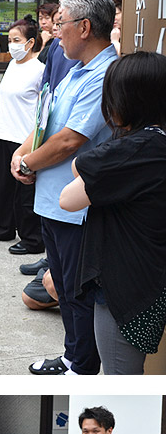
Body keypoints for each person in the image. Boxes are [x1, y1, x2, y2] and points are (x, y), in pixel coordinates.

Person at [16, 0, 117, 376]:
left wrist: (26, 162)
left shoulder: (104, 74)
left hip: (77, 209)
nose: (56, 32)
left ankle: (82, 366)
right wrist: (21, 154)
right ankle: (73, 356)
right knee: (64, 287)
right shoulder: (75, 69)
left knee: (77, 293)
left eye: (62, 24)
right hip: (53, 202)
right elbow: (47, 121)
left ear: (85, 27)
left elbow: (72, 139)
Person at [60, 52, 166, 375]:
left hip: (123, 291)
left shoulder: (132, 150)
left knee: (120, 377)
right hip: (150, 282)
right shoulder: (158, 142)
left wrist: (89, 165)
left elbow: (68, 197)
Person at [0, 16, 46, 254]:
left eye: (16, 40)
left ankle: (32, 239)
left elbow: (44, 108)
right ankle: (4, 228)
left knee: (25, 192)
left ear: (30, 43)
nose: (12, 45)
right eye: (9, 40)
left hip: (26, 139)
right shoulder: (11, 64)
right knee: (3, 187)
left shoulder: (40, 69)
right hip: (6, 134)